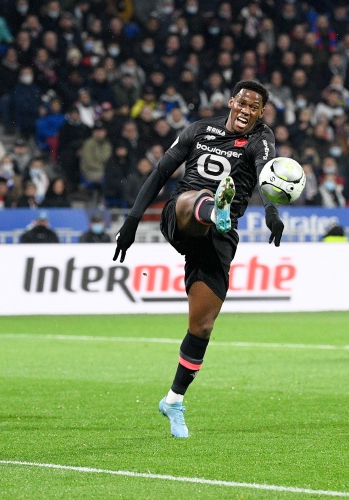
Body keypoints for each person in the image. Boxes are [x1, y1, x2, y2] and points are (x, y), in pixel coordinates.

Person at [112, 80, 284, 438]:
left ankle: (174, 400)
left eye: (254, 107)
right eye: (242, 103)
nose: (246, 111)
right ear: (231, 102)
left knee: (202, 326)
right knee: (198, 196)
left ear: (261, 113)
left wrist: (271, 212)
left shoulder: (261, 139)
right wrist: (131, 221)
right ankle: (214, 207)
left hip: (219, 237)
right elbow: (161, 172)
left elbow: (266, 176)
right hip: (182, 213)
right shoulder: (198, 130)